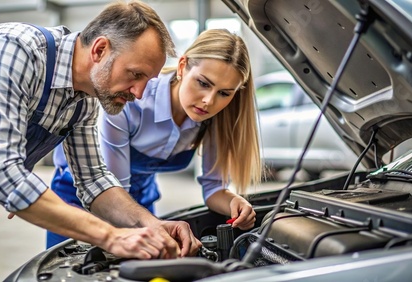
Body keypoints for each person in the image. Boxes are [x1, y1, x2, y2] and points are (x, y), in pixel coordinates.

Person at [0, 1, 202, 281]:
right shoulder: (13, 51)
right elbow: (1, 174)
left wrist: (151, 225)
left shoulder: (85, 99)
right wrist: (112, 237)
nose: (138, 93)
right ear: (100, 49)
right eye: (135, 74)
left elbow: (93, 180)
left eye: (147, 81)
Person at [48, 28, 263, 248]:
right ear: (182, 67)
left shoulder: (217, 119)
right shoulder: (131, 99)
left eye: (224, 93)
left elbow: (214, 189)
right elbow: (114, 191)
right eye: (203, 83)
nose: (209, 101)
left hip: (139, 200)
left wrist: (235, 202)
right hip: (80, 196)